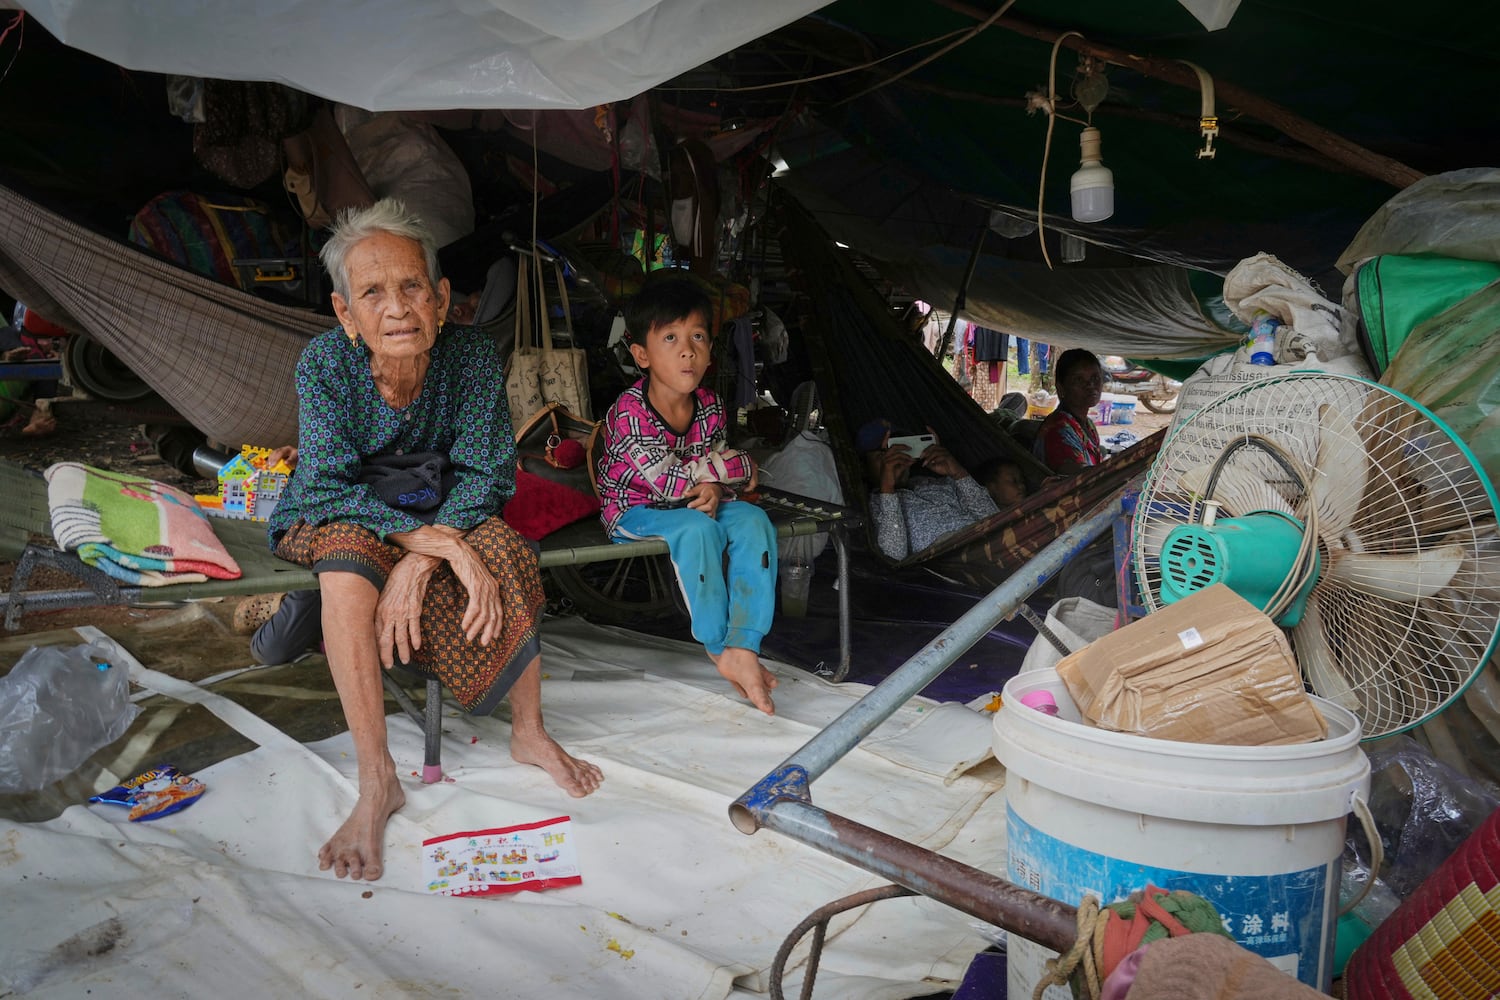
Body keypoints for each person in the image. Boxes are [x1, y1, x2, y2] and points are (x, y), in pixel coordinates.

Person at [266, 198, 602, 882]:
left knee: (506, 549)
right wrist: (444, 547)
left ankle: (528, 733)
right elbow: (327, 484)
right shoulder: (325, 363)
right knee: (345, 571)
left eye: (412, 286)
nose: (397, 309)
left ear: (443, 298)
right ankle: (376, 779)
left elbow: (487, 470)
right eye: (373, 293)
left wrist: (425, 555)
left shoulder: (473, 356)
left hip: (438, 497)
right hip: (339, 506)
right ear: (345, 313)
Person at [595, 275, 779, 716]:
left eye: (698, 337)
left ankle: (744, 643)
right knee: (699, 530)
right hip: (634, 509)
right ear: (642, 354)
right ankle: (720, 648)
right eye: (671, 338)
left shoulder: (711, 405)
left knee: (755, 522)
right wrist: (724, 474)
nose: (687, 350)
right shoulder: (629, 412)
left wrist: (718, 480)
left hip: (699, 501)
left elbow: (728, 467)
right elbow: (669, 482)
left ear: (711, 350)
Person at [860, 419, 998, 561]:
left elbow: (994, 520)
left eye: (899, 450)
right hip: (952, 562)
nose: (895, 459)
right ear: (864, 467)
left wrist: (959, 473)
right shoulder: (874, 504)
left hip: (992, 547)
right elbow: (893, 556)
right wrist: (888, 488)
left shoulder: (938, 482)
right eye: (883, 456)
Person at [1033, 348, 1105, 475]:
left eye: (1095, 378)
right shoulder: (1058, 429)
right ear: (1061, 388)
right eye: (1079, 380)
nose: (1090, 385)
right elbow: (1078, 476)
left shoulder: (1087, 425)